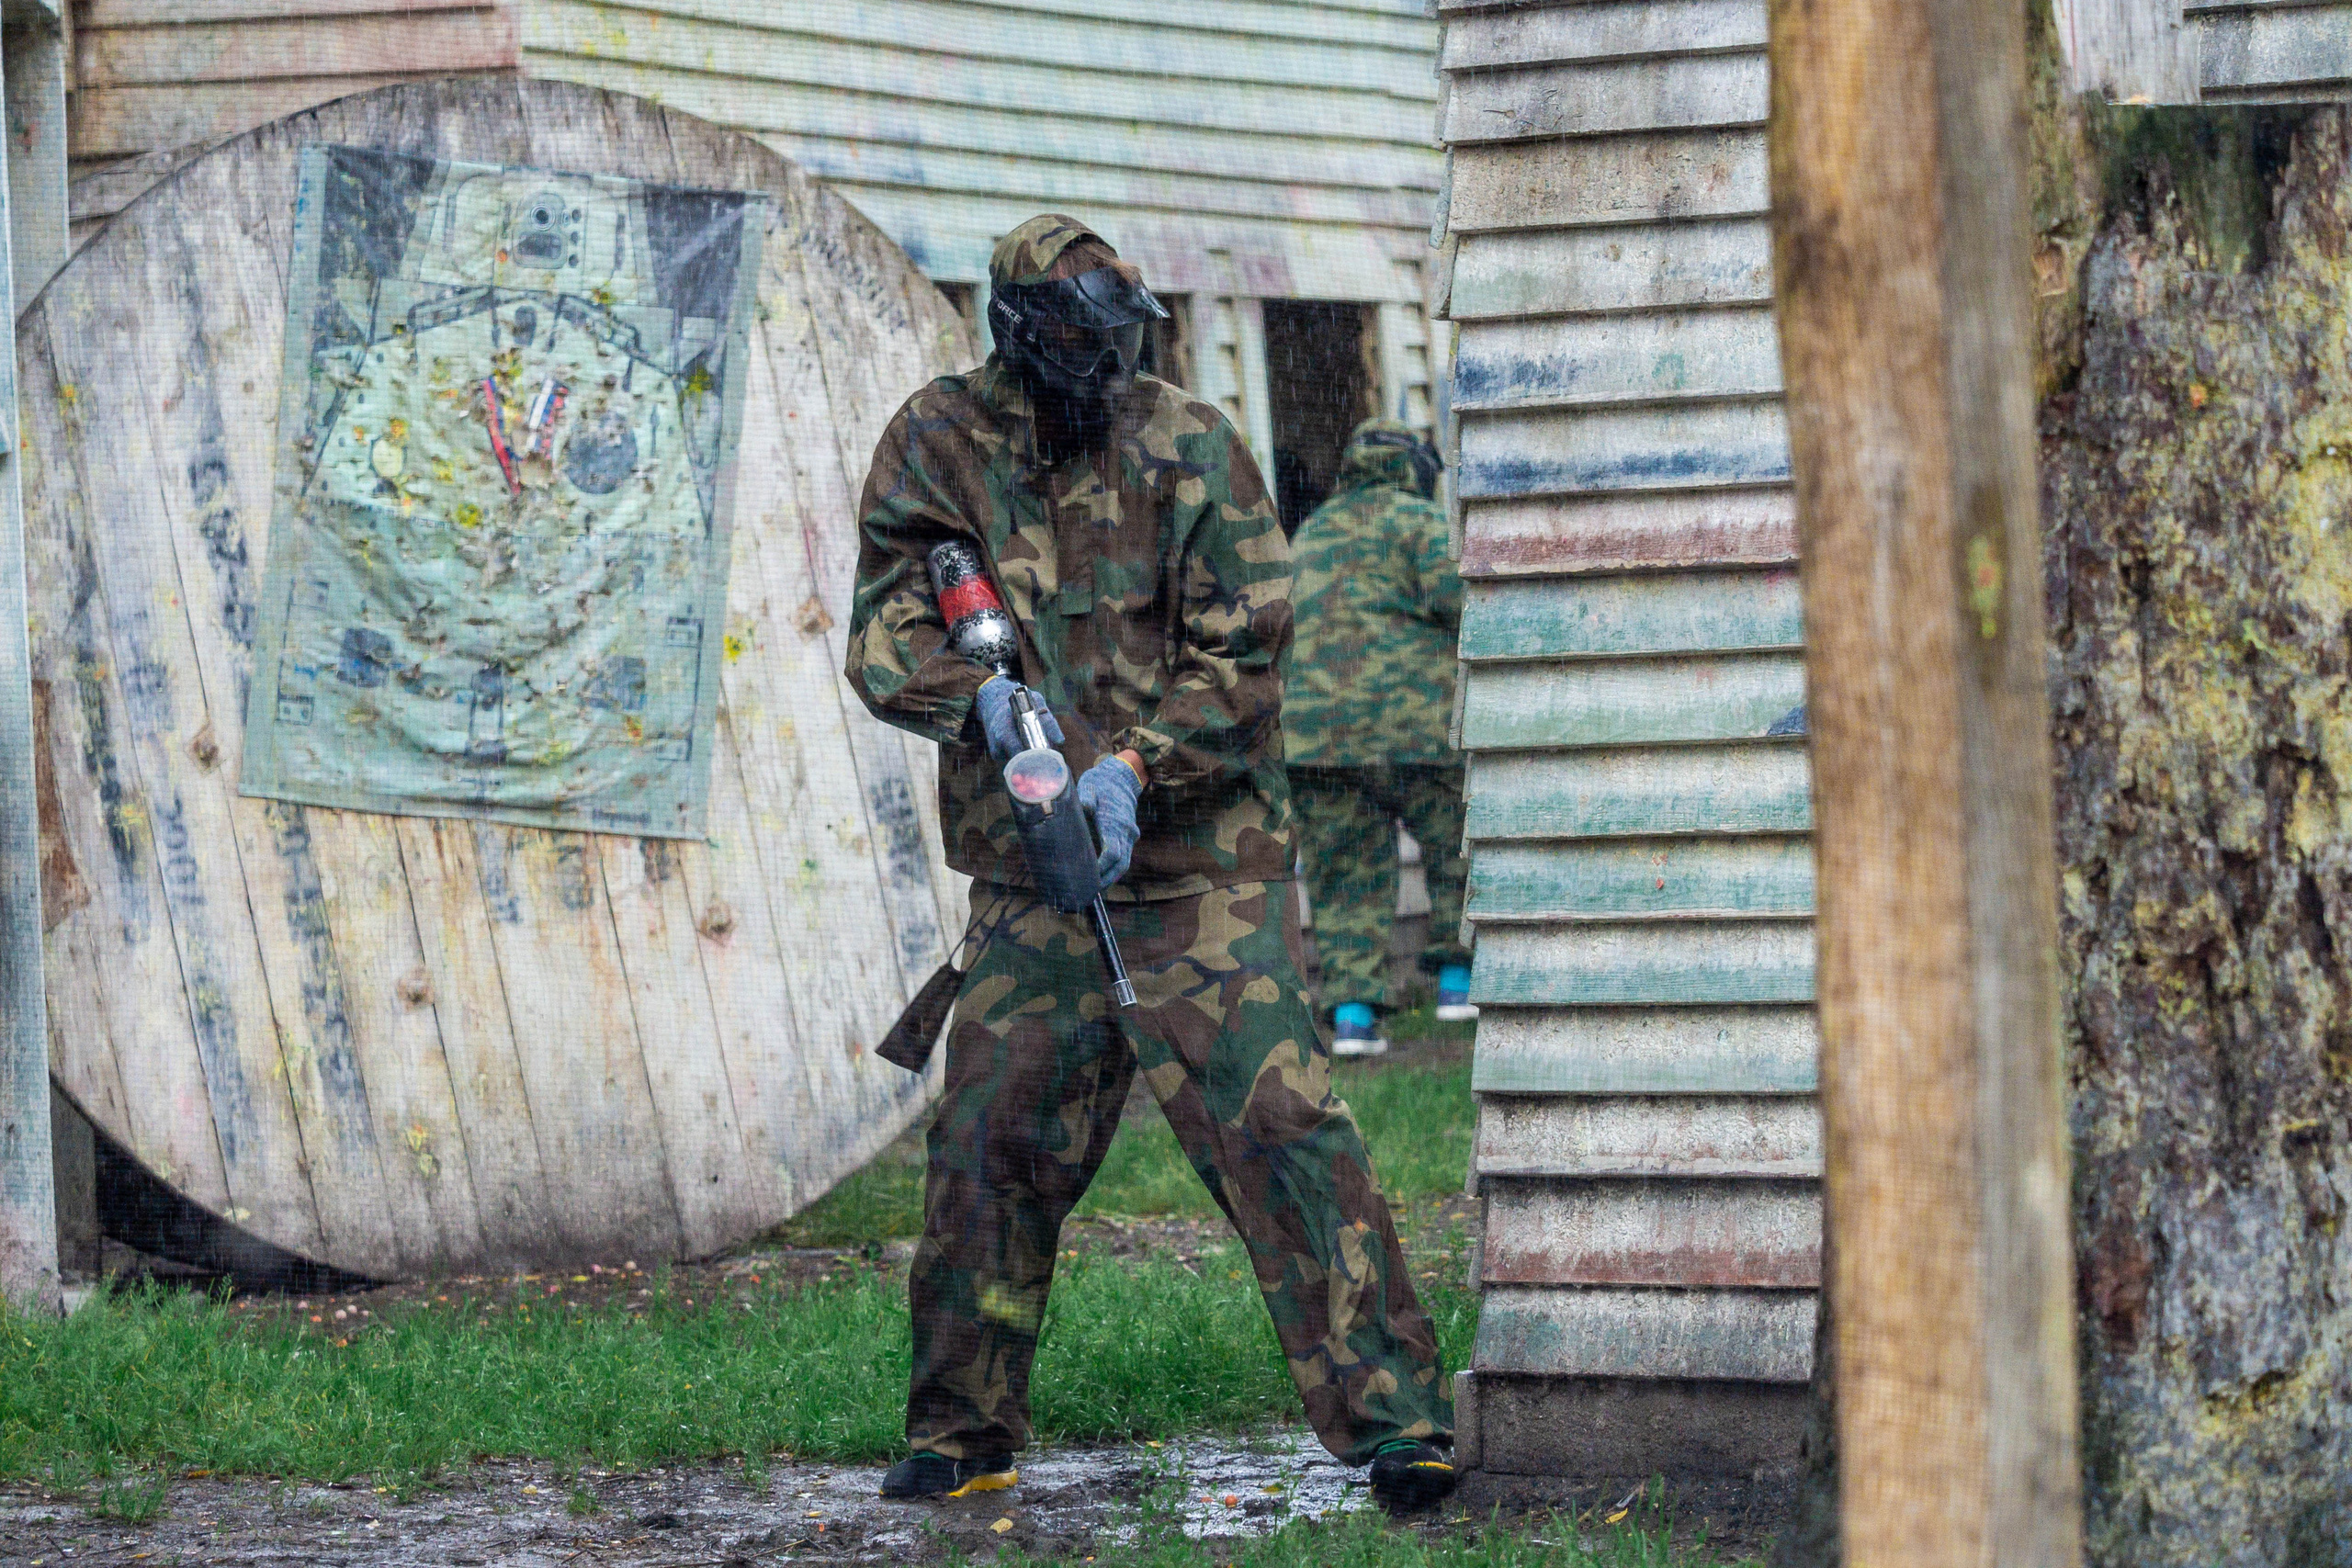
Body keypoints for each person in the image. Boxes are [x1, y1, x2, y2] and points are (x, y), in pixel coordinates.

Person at [844, 215, 1456, 1515]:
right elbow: (887, 628)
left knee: (1284, 1130)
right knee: (988, 1146)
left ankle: (1399, 1420)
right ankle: (964, 1428)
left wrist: (1135, 767)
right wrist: (979, 704)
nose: (1100, 369)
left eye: (1117, 344)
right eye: (1075, 345)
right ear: (1018, 331)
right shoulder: (936, 441)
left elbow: (1248, 646)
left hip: (1199, 870)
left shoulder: (1189, 441)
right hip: (1033, 875)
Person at [1283, 419, 1473, 1055]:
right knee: (1459, 849)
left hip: (1317, 738)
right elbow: (1459, 603)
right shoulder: (1420, 524)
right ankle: (1457, 985)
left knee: (1343, 877)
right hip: (1413, 726)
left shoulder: (1308, 534)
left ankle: (1355, 1019)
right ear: (1415, 468)